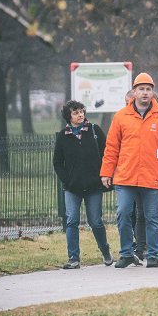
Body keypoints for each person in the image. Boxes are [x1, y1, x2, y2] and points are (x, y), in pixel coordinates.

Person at [99, 72, 158, 269]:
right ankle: (126, 254)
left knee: (152, 217)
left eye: (148, 89)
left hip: (151, 177)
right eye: (141, 89)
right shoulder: (120, 117)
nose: (145, 93)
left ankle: (152, 255)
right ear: (134, 92)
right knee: (123, 213)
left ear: (153, 92)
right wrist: (106, 172)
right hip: (125, 177)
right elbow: (111, 147)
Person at [53, 100, 112, 269]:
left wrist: (103, 175)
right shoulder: (63, 136)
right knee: (71, 220)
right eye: (75, 112)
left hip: (93, 186)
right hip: (72, 188)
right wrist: (67, 180)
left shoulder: (94, 131)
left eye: (81, 111)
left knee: (95, 221)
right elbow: (57, 162)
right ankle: (74, 258)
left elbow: (107, 154)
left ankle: (105, 250)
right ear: (68, 117)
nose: (80, 115)